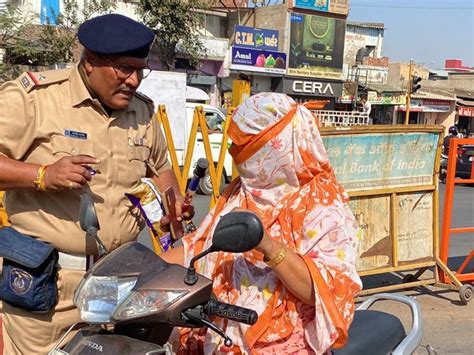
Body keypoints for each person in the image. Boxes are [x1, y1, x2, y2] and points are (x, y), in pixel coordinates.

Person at [0, 14, 191, 354]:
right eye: (124, 69)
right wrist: (43, 175)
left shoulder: (142, 112)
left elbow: (161, 170)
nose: (134, 80)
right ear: (90, 63)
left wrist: (173, 204)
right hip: (50, 286)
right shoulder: (35, 99)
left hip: (119, 284)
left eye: (140, 70)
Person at [162, 93, 362, 353]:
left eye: (244, 147)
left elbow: (322, 290)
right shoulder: (241, 193)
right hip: (217, 328)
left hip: (285, 343)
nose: (235, 154)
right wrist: (143, 266)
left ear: (275, 146)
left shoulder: (321, 204)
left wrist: (267, 245)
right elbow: (201, 248)